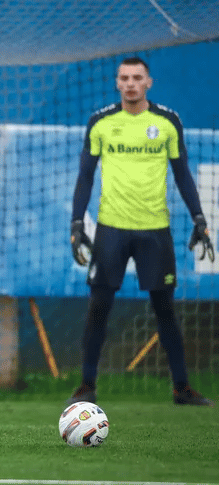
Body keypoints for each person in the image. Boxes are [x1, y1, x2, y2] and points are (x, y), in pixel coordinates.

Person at [67, 57, 214, 407]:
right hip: (111, 230)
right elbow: (86, 176)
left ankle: (182, 388)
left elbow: (182, 174)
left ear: (149, 82)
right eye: (124, 78)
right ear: (117, 83)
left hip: (155, 232)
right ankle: (86, 385)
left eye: (137, 78)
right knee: (99, 305)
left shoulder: (167, 121)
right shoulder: (101, 122)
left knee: (164, 308)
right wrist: (76, 222)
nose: (131, 83)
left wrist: (199, 218)